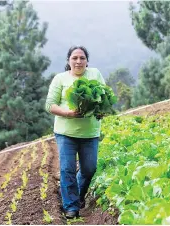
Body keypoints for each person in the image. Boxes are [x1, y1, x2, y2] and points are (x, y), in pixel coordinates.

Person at [45, 46, 106, 219]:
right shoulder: (60, 78)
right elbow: (50, 105)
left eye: (82, 58)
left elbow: (104, 96)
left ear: (87, 61)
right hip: (65, 133)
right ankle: (71, 206)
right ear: (68, 60)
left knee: (89, 169)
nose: (78, 61)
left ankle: (77, 195)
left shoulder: (95, 74)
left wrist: (101, 109)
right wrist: (67, 113)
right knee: (67, 169)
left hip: (90, 133)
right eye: (75, 58)